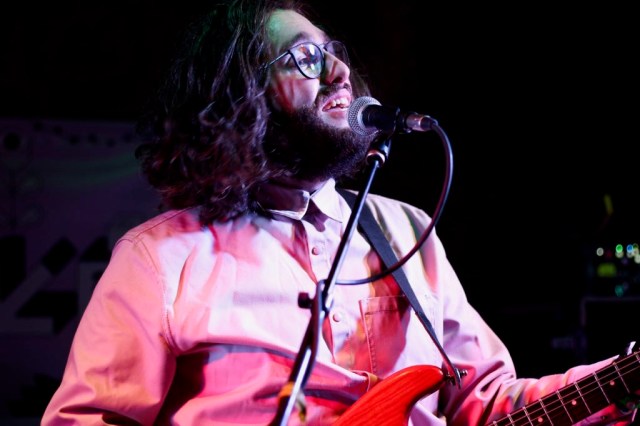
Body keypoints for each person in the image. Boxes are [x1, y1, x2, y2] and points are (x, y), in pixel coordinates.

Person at [41, 0, 638, 424]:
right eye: (304, 57)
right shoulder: (160, 258)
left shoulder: (406, 231)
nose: (340, 72)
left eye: (334, 52)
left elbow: (481, 401)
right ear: (239, 93)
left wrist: (620, 381)